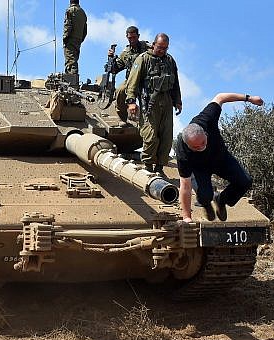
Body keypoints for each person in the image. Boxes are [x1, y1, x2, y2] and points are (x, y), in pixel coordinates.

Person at [175, 93, 264, 222]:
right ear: (188, 145)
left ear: (205, 133)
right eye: (196, 147)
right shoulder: (182, 150)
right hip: (200, 168)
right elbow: (185, 186)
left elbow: (221, 97)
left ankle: (221, 200)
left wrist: (248, 98)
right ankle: (206, 204)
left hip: (221, 158)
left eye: (203, 143)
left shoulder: (207, 118)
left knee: (245, 181)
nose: (201, 148)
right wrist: (186, 217)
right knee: (205, 195)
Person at [125, 33, 182, 174]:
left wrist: (178, 101)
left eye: (165, 48)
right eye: (160, 47)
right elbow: (132, 82)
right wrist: (131, 102)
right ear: (153, 44)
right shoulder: (143, 59)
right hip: (150, 101)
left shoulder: (170, 61)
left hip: (167, 101)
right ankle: (148, 166)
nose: (162, 50)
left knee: (166, 137)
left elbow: (176, 83)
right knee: (150, 136)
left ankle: (160, 167)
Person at [107, 26, 151, 121]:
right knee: (119, 90)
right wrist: (111, 59)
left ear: (138, 36)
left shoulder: (147, 48)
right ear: (127, 37)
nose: (132, 40)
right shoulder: (126, 53)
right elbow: (115, 69)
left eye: (134, 37)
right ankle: (123, 118)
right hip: (130, 81)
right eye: (130, 38)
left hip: (146, 80)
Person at [63, 0, 87, 76]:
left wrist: (65, 37)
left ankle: (72, 82)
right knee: (74, 60)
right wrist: (81, 39)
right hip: (78, 39)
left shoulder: (70, 10)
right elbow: (85, 29)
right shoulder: (82, 12)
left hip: (70, 39)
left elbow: (68, 25)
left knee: (70, 61)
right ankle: (73, 79)